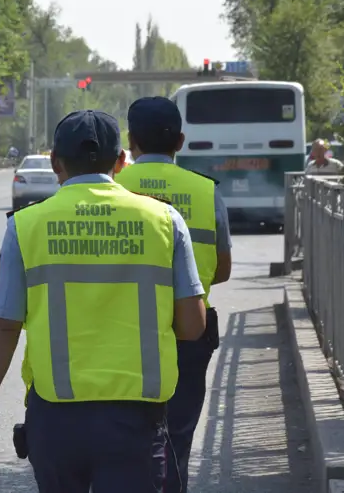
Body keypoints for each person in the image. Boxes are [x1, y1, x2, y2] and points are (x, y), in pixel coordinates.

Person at [0, 109, 207, 492]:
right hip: (135, 421)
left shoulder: (25, 226)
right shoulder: (165, 220)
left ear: (55, 161)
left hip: (56, 422)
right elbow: (192, 327)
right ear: (122, 162)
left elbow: (2, 328)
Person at [117, 97, 233, 492]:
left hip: (127, 332)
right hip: (190, 333)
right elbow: (224, 269)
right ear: (180, 141)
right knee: (176, 439)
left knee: (127, 439)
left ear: (130, 141)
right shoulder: (204, 191)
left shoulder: (114, 188)